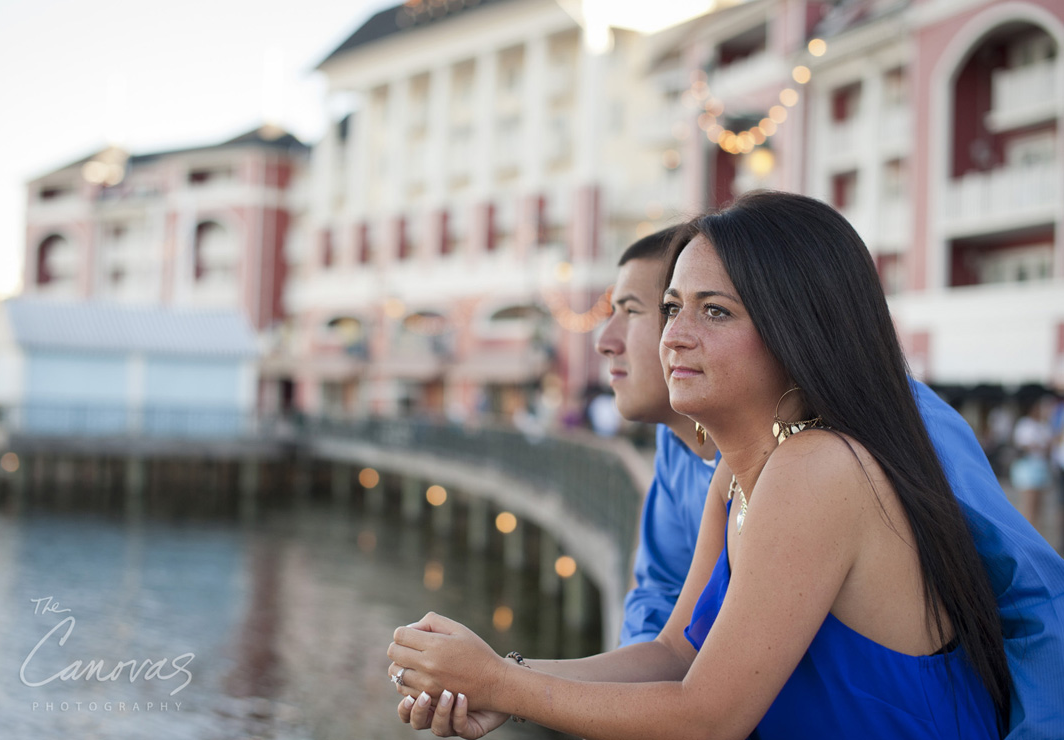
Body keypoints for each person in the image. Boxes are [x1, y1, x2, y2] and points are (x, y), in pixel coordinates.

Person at [387, 191, 1017, 739]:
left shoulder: (819, 469)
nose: (674, 335)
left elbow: (707, 720)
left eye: (714, 311)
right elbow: (675, 652)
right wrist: (503, 678)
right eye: (670, 308)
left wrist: (502, 685)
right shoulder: (739, 474)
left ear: (799, 330)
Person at [593, 225, 719, 646]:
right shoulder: (677, 443)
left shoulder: (819, 455)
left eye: (630, 311)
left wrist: (505, 681)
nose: (605, 342)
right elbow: (659, 595)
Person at [1011, 397, 1054, 530]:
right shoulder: (1025, 424)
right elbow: (1021, 445)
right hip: (1028, 468)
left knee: (1038, 508)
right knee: (1028, 506)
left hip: (1040, 468)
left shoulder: (1043, 425)